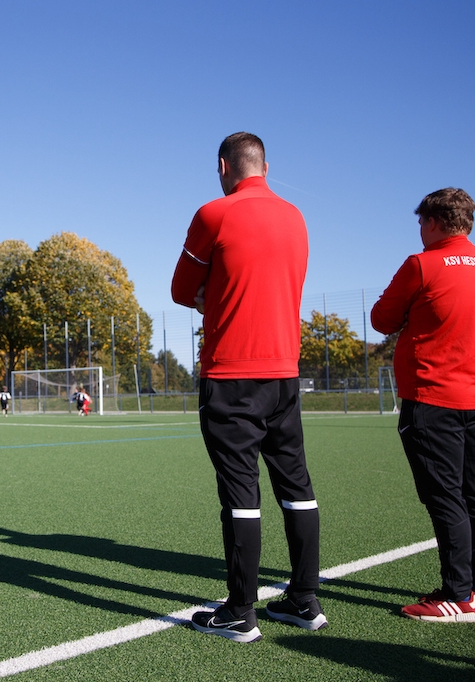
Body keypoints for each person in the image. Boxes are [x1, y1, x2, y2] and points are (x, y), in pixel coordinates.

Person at [171, 132, 326, 643]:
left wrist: (212, 294)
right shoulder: (296, 216)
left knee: (241, 493)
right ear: (266, 166)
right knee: (296, 486)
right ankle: (304, 600)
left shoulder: (213, 213)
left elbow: (180, 290)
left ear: (223, 166)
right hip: (284, 373)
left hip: (231, 373)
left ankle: (240, 612)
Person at [371, 188, 475, 623]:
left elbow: (381, 319)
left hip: (433, 397)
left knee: (445, 496)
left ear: (432, 222)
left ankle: (457, 595)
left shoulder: (422, 264)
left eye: (420, 223)